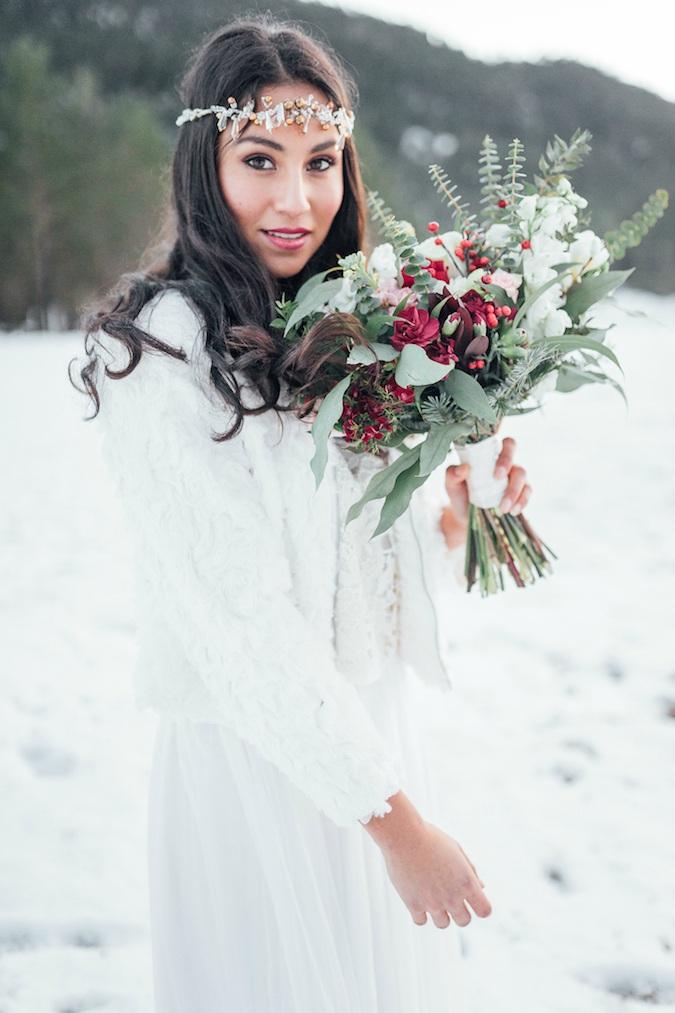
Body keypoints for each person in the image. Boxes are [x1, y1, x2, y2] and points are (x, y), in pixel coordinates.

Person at [70, 13, 532, 1012]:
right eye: (261, 159)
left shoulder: (341, 324)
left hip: (366, 740)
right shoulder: (163, 353)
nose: (296, 198)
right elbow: (243, 626)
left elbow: (351, 562)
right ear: (205, 161)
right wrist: (397, 825)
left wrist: (450, 518)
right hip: (257, 764)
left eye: (321, 162)